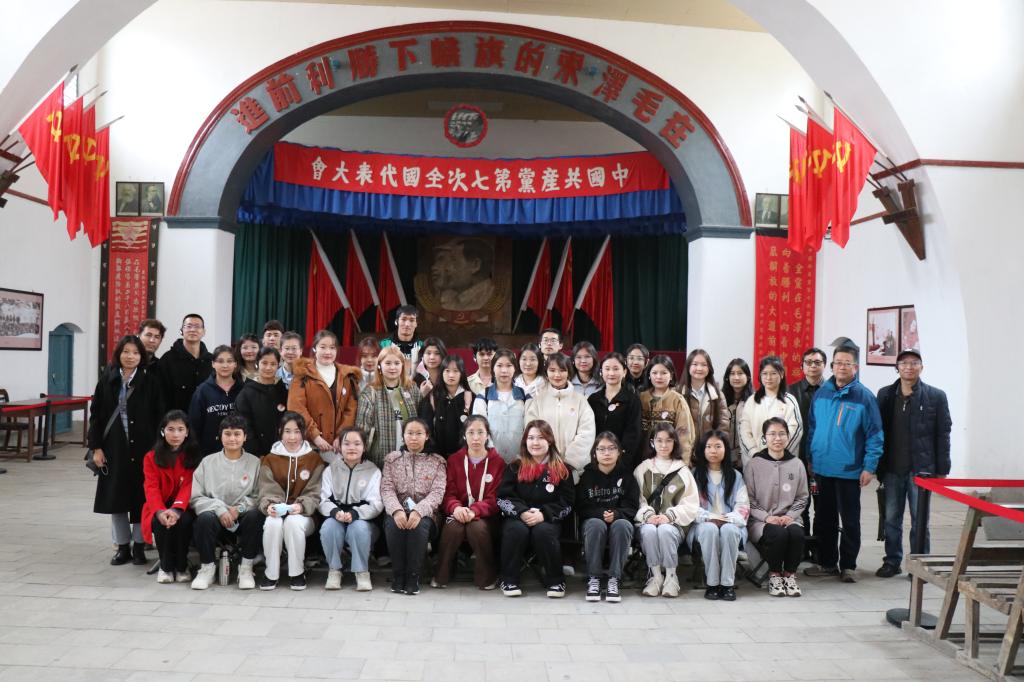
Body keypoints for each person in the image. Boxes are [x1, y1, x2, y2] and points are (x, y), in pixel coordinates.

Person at [804, 344, 883, 583]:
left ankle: (848, 565)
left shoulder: (864, 397)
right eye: (838, 362)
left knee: (849, 520)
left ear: (855, 367)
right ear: (832, 366)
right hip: (822, 468)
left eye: (847, 363)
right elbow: (812, 428)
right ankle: (828, 563)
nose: (841, 367)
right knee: (824, 519)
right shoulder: (821, 393)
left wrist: (869, 467)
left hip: (849, 471)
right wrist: (810, 458)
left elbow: (875, 435)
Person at [89, 335, 165, 566]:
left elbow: (160, 417)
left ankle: (140, 546)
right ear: (118, 354)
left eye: (135, 352)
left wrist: (158, 448)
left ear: (141, 356)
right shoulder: (107, 380)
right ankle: (123, 547)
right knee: (117, 499)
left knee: (143, 499)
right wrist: (96, 448)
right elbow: (96, 416)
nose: (130, 356)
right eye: (126, 352)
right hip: (114, 449)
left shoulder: (150, 382)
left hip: (144, 449)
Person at [875, 348, 951, 578]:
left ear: (921, 367)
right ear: (897, 368)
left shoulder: (936, 396)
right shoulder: (885, 395)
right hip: (892, 469)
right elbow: (876, 431)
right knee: (891, 519)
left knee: (920, 521)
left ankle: (919, 565)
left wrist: (942, 469)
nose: (909, 367)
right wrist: (875, 465)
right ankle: (892, 561)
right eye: (904, 363)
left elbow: (943, 434)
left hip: (921, 470)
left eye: (914, 363)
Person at [496, 420, 574, 598]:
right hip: (518, 517)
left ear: (550, 441)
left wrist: (544, 514)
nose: (535, 442)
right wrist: (521, 512)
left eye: (540, 438)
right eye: (530, 438)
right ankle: (509, 579)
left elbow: (567, 502)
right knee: (515, 530)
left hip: (548, 519)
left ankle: (556, 580)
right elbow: (503, 497)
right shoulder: (515, 467)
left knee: (544, 532)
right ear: (525, 441)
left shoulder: (563, 469)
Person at [189, 414, 264, 590]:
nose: (232, 439)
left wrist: (240, 508)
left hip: (242, 516)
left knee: (255, 516)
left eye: (237, 434)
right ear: (220, 436)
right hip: (215, 515)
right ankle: (207, 568)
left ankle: (246, 568)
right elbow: (196, 497)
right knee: (204, 519)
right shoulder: (207, 462)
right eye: (227, 434)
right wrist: (219, 509)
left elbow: (260, 495)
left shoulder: (255, 463)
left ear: (245, 437)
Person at [434, 416, 506, 589]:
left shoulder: (498, 462)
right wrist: (456, 508)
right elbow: (448, 493)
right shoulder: (454, 460)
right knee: (453, 527)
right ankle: (442, 575)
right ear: (464, 435)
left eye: (480, 432)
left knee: (477, 527)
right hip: (458, 513)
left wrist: (474, 510)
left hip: (487, 516)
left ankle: (487, 577)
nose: (476, 438)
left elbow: (495, 498)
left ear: (488, 435)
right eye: (471, 432)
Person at [256, 412, 323, 590]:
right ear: (280, 432)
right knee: (273, 523)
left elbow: (315, 491)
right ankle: (271, 573)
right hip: (278, 511)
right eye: (287, 431)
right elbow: (266, 488)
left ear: (303, 433)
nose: (292, 437)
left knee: (293, 523)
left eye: (297, 431)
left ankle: (297, 573)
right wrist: (271, 505)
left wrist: (301, 506)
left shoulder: (314, 459)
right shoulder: (270, 459)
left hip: (304, 515)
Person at [381, 418, 446, 595]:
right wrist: (396, 511)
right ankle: (398, 575)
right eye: (410, 433)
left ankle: (413, 576)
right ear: (403, 436)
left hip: (426, 515)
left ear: (427, 436)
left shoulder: (437, 462)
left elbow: (437, 492)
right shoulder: (392, 460)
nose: (414, 438)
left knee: (418, 526)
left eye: (419, 433)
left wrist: (419, 511)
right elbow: (387, 489)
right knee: (394, 525)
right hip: (398, 511)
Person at [634, 424, 700, 597]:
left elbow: (691, 503)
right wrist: (648, 515)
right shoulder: (643, 469)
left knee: (665, 530)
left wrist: (670, 516)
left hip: (674, 523)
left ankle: (671, 577)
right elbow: (637, 499)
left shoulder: (683, 470)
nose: (664, 445)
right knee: (649, 531)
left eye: (668, 441)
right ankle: (655, 576)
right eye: (659, 440)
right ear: (652, 442)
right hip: (647, 521)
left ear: (675, 443)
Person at [746, 417, 809, 597]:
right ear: (764, 438)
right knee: (778, 534)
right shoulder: (754, 464)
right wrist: (767, 517)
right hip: (761, 521)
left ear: (788, 436)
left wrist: (790, 516)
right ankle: (774, 575)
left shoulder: (797, 464)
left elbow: (802, 497)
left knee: (796, 534)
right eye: (772, 434)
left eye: (782, 434)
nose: (777, 438)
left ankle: (789, 575)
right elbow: (748, 499)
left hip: (790, 518)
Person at [577, 432, 639, 603]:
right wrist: (600, 514)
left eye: (611, 448)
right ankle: (594, 578)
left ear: (619, 452)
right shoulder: (587, 477)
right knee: (596, 524)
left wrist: (617, 515)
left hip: (619, 521)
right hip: (593, 521)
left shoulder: (627, 477)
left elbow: (632, 507)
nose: (607, 453)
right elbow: (581, 507)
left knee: (623, 525)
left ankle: (614, 578)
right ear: (594, 453)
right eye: (602, 449)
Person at [319, 427, 382, 591]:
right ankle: (334, 569)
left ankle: (362, 571)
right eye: (346, 444)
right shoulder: (331, 469)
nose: (351, 448)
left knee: (358, 528)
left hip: (363, 520)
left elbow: (376, 504)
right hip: (337, 517)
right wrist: (335, 512)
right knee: (329, 527)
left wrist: (355, 513)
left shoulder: (373, 471)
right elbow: (322, 500)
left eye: (357, 444)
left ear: (364, 447)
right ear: (340, 446)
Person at [689, 429, 749, 601]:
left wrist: (727, 519)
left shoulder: (736, 476)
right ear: (703, 450)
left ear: (725, 449)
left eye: (718, 446)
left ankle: (727, 584)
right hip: (702, 524)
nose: (713, 451)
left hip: (732, 523)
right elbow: (689, 506)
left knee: (729, 530)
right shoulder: (694, 475)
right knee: (709, 530)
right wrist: (710, 517)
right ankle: (712, 584)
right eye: (708, 447)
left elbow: (743, 506)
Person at [142, 410, 201, 584]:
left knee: (184, 521)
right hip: (159, 504)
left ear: (187, 432)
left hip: (185, 504)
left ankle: (182, 566)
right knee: (160, 522)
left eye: (180, 429)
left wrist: (176, 509)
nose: (175, 434)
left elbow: (189, 485)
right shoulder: (151, 457)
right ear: (163, 431)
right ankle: (166, 567)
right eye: (170, 429)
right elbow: (151, 487)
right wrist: (160, 511)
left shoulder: (194, 455)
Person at [287, 329, 361, 461]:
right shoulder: (302, 374)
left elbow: (350, 411)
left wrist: (341, 436)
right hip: (308, 445)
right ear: (314, 348)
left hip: (338, 447)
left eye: (332, 348)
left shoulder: (347, 376)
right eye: (323, 347)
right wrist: (315, 435)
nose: (328, 352)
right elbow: (297, 408)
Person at [525, 353, 596, 477]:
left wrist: (570, 462)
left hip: (574, 470)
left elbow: (587, 434)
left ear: (569, 372)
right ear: (546, 373)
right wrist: (548, 460)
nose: (557, 375)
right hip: (544, 467)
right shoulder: (537, 401)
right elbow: (531, 433)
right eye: (552, 370)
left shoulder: (580, 400)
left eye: (562, 370)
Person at [357, 345, 422, 467]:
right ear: (379, 366)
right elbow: (362, 429)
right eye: (388, 363)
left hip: (409, 456)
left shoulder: (412, 389)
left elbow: (421, 421)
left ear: (402, 366)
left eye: (397, 363)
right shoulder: (370, 392)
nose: (393, 367)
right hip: (379, 458)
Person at [788, 347, 828, 533]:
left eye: (817, 362)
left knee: (824, 507)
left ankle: (820, 545)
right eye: (809, 362)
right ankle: (802, 545)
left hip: (824, 459)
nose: (813, 366)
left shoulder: (832, 391)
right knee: (799, 506)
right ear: (802, 366)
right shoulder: (790, 392)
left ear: (825, 365)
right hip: (797, 457)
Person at [738, 355, 801, 467]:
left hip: (782, 462)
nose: (768, 377)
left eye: (773, 373)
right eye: (764, 373)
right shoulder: (752, 400)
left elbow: (796, 430)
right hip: (755, 461)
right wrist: (755, 454)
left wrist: (777, 454)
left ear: (781, 374)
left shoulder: (789, 400)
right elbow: (744, 430)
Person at [418, 353, 485, 458]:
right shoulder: (432, 397)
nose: (451, 375)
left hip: (465, 458)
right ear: (441, 373)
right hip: (437, 457)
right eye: (447, 371)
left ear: (462, 373)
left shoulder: (472, 398)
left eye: (456, 371)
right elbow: (425, 430)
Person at [588, 352, 642, 470]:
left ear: (624, 372)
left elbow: (633, 434)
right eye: (607, 369)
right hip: (596, 461)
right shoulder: (593, 399)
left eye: (616, 369)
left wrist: (621, 460)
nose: (611, 373)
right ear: (601, 372)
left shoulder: (632, 400)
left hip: (623, 462)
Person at [639, 354, 696, 464]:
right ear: (649, 375)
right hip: (642, 460)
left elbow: (685, 436)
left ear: (671, 375)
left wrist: (682, 464)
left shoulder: (678, 400)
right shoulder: (641, 398)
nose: (659, 377)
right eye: (654, 373)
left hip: (670, 460)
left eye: (664, 373)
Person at [188, 345, 243, 457]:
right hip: (209, 452)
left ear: (235, 364)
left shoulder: (243, 389)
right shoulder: (202, 391)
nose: (225, 365)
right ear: (213, 364)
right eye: (220, 361)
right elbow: (194, 425)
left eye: (229, 361)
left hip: (238, 451)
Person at [235, 347, 289, 456]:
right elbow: (244, 426)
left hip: (283, 451)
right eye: (264, 363)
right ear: (257, 363)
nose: (268, 367)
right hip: (256, 453)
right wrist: (256, 452)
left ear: (278, 365)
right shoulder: (246, 393)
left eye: (273, 364)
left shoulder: (283, 390)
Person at [158, 313, 213, 412]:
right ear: (181, 331)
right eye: (188, 326)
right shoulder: (167, 359)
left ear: (203, 332)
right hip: (176, 419)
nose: (193, 330)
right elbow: (160, 396)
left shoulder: (212, 360)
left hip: (206, 418)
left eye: (197, 326)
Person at [481, 349, 527, 463]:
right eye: (499, 365)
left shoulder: (525, 396)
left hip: (520, 459)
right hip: (491, 460)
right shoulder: (483, 396)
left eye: (509, 365)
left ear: (515, 368)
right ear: (493, 368)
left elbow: (529, 427)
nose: (504, 370)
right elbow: (480, 427)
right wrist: (492, 454)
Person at [678, 349, 731, 443]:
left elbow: (724, 427)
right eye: (695, 364)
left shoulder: (718, 395)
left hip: (710, 448)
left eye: (704, 365)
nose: (699, 368)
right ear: (688, 367)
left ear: (709, 368)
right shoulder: (677, 393)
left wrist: (713, 446)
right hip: (683, 448)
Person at [430, 237, 496, 310]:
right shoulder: (452, 301)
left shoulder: (490, 299)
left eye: (454, 260)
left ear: (475, 265)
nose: (447, 268)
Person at [722, 359, 753, 469]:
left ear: (748, 376)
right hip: (723, 457)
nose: (736, 377)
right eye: (732, 373)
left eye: (740, 373)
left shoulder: (754, 401)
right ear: (727, 377)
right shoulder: (720, 399)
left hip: (747, 456)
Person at [379, 304, 424, 377]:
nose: (407, 324)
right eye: (403, 319)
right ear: (396, 321)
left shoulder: (423, 346)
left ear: (416, 324)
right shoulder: (384, 345)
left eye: (412, 320)